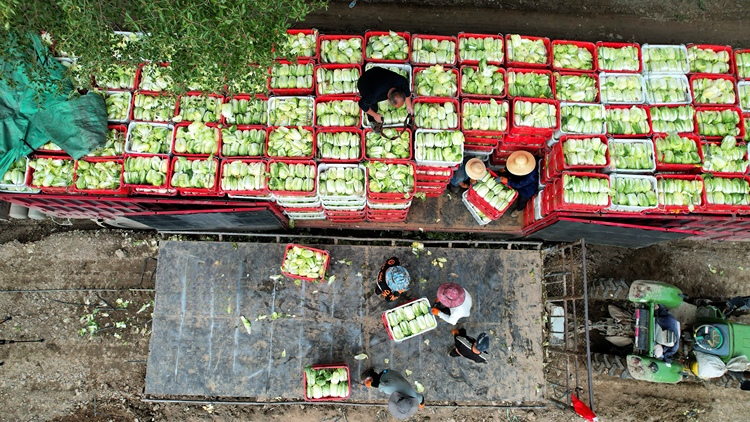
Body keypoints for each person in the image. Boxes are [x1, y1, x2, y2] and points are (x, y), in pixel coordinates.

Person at [497, 150, 540, 218]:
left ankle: (518, 210)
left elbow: (518, 184)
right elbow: (510, 166)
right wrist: (504, 170)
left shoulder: (531, 176)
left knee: (522, 200)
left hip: (527, 189)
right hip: (519, 179)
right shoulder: (521, 158)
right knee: (512, 180)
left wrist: (507, 181)